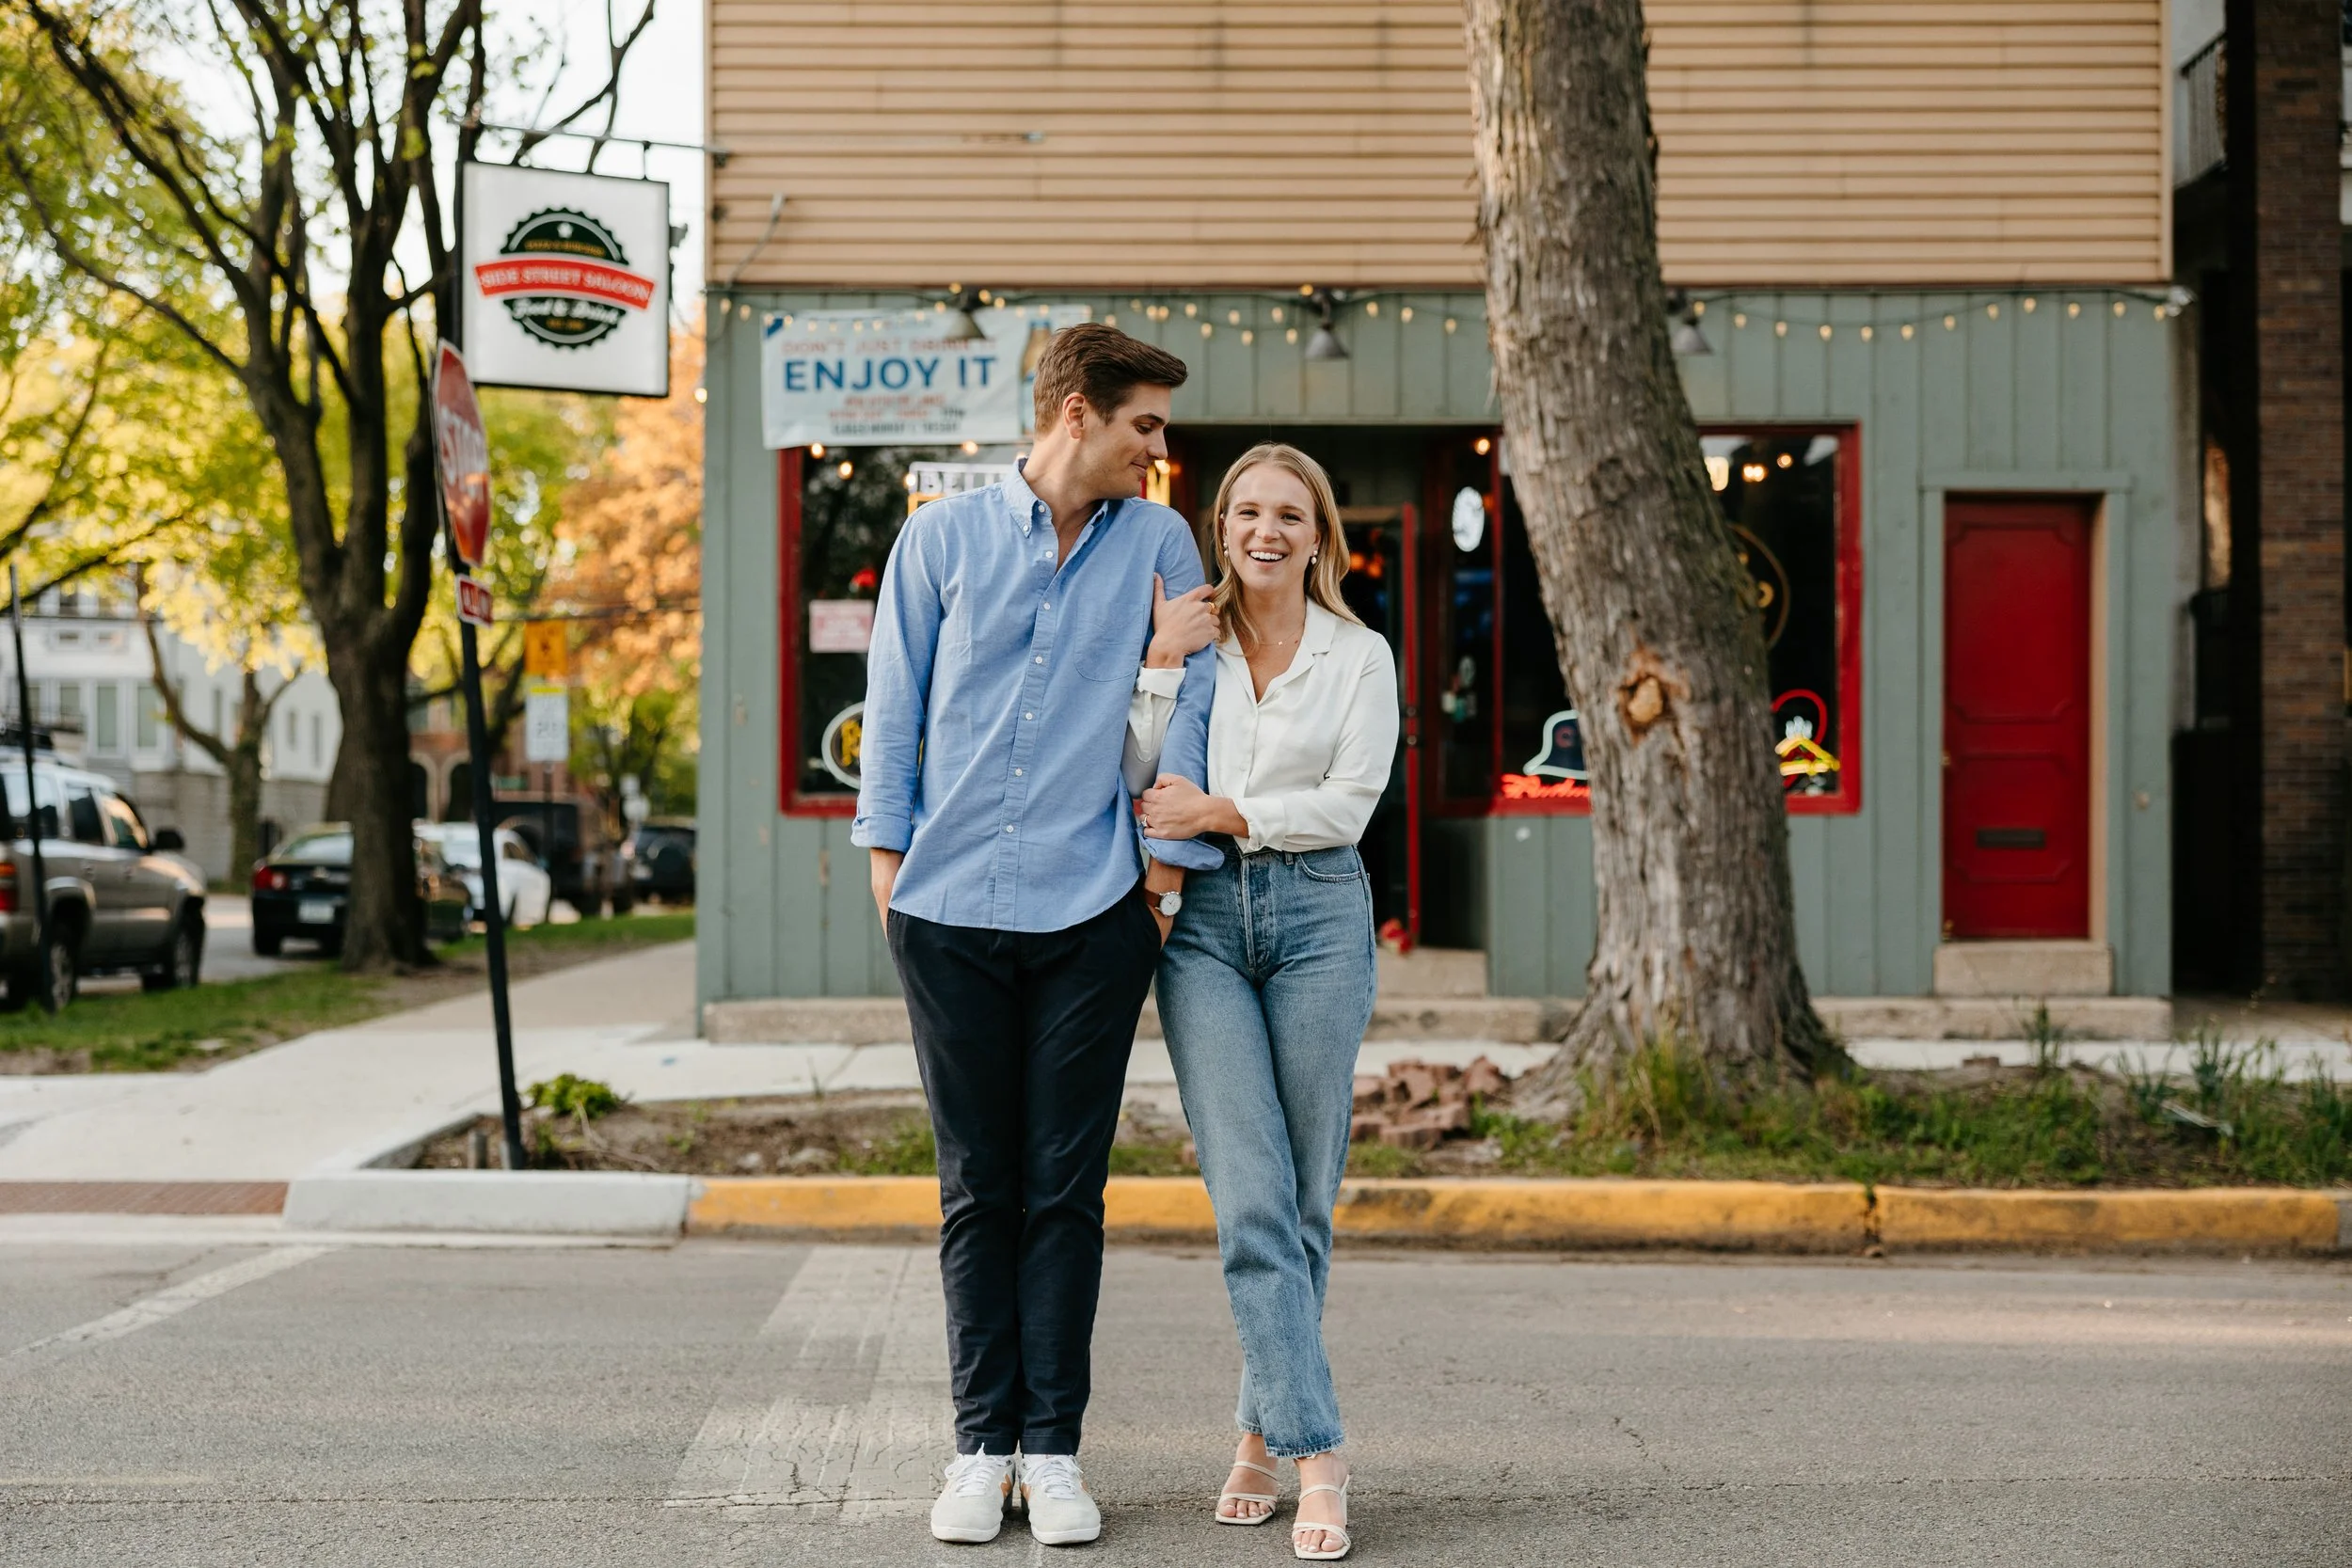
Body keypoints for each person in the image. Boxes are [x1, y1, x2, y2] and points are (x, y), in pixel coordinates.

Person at [852, 323, 1224, 1548]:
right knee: (978, 1189)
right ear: (1077, 411)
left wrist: (1159, 880)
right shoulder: (941, 538)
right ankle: (978, 1448)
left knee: (1064, 1188)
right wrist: (890, 873)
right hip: (947, 914)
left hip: (1090, 914)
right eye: (1144, 425)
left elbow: (1160, 737)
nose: (1158, 449)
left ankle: (1052, 1450)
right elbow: (893, 710)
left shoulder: (1162, 544)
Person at [1125, 443, 1400, 1561]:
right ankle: (1319, 1450)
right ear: (1221, 525)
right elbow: (1142, 773)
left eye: (1290, 513)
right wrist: (1153, 660)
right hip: (1200, 930)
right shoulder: (1192, 638)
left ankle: (1254, 1433)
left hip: (1320, 918)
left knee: (1302, 1202)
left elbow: (1347, 805)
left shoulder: (1359, 653)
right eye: (1245, 510)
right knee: (1248, 1196)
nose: (1265, 530)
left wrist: (1226, 808)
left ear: (1319, 535)